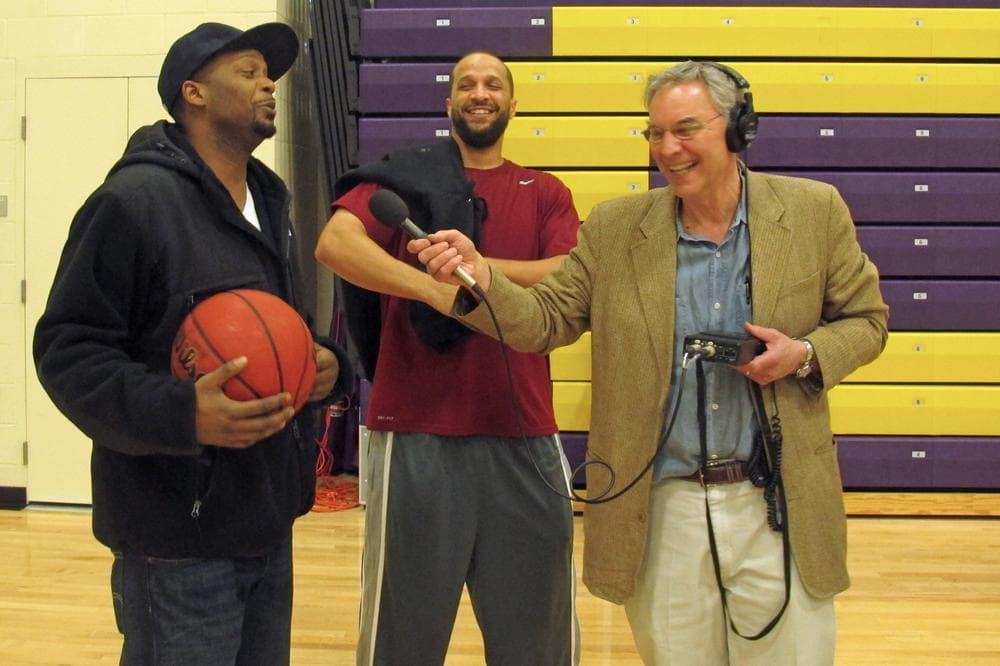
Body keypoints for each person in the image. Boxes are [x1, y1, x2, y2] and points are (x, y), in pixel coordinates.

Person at [410, 60, 889, 665]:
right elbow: (543, 321)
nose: (668, 149)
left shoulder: (814, 212)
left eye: (686, 129)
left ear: (737, 128)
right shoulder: (616, 228)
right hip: (664, 509)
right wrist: (480, 279)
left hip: (776, 503)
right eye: (655, 134)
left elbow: (867, 321)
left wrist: (805, 355)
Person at [33, 22, 352, 665]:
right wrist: (184, 414)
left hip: (266, 521)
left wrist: (323, 364)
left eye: (271, 74)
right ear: (194, 93)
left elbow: (269, 329)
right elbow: (68, 351)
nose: (269, 85)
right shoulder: (132, 202)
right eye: (249, 71)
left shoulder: (269, 200)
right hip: (174, 535)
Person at [315, 52, 581, 665]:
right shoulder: (400, 182)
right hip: (415, 434)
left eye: (494, 85)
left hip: (524, 434)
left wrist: (481, 273)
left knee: (536, 638)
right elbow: (335, 243)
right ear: (449, 105)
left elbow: (569, 271)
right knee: (401, 637)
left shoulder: (545, 191)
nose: (479, 93)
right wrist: (434, 289)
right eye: (467, 84)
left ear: (513, 106)